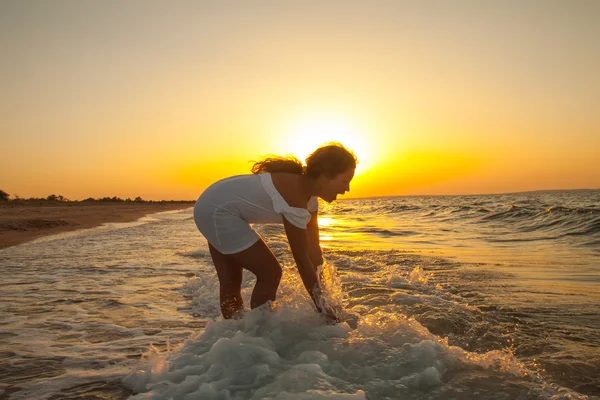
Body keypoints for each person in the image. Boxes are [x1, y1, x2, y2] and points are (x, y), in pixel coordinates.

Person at [193, 142, 357, 321]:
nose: (346, 189)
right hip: (217, 211)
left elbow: (314, 251)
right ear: (325, 176)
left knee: (231, 279)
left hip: (213, 205)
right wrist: (323, 309)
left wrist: (326, 298)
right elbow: (302, 260)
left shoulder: (309, 200)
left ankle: (237, 335)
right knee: (270, 273)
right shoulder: (295, 198)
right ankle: (258, 331)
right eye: (345, 181)